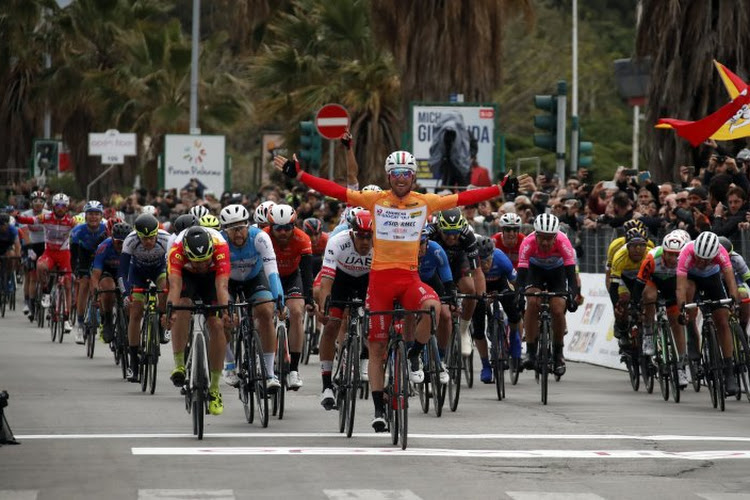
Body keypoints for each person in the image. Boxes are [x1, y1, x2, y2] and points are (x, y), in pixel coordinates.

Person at [275, 150, 503, 432]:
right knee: (377, 348)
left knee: (433, 308)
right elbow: (336, 190)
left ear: (413, 177)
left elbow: (464, 198)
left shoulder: (425, 202)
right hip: (380, 281)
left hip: (409, 279)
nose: (401, 179)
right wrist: (300, 175)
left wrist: (500, 189)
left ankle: (413, 355)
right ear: (388, 176)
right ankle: (379, 409)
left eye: (406, 174)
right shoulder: (375, 200)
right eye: (396, 174)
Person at [166, 226, 232, 415]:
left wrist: (226, 311)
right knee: (182, 305)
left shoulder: (220, 247)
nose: (202, 265)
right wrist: (170, 310)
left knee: (217, 324)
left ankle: (215, 388)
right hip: (187, 276)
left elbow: (222, 286)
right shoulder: (177, 250)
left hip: (213, 279)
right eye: (197, 262)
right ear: (187, 253)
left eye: (205, 261)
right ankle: (179, 364)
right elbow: (175, 286)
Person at [219, 204, 283, 390]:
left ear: (248, 226)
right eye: (233, 230)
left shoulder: (261, 238)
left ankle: (270, 373)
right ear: (225, 231)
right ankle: (230, 364)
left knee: (265, 312)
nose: (238, 233)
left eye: (241, 228)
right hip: (227, 280)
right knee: (223, 318)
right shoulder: (220, 242)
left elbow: (272, 271)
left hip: (254, 278)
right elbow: (219, 280)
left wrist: (279, 298)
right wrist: (224, 306)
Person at [318, 210, 374, 410]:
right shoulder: (337, 242)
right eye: (361, 235)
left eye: (369, 236)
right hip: (341, 280)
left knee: (374, 322)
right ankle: (326, 385)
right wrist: (325, 306)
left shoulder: (381, 246)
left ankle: (365, 360)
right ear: (352, 233)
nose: (365, 241)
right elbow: (326, 281)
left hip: (367, 282)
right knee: (332, 323)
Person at [676, 231, 740, 396]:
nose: (702, 262)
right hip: (691, 279)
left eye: (707, 259)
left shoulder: (721, 252)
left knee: (723, 322)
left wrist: (733, 299)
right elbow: (680, 287)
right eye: (699, 258)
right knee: (689, 295)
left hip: (712, 278)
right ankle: (691, 333)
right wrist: (682, 308)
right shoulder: (686, 252)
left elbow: (730, 278)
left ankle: (729, 371)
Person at [517, 213, 579, 377]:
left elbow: (571, 274)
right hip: (535, 271)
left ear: (555, 236)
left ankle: (558, 354)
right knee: (532, 302)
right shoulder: (527, 242)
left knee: (558, 309)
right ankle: (530, 351)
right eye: (542, 238)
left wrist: (573, 295)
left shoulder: (563, 241)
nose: (545, 242)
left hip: (557, 272)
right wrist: (519, 294)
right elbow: (522, 274)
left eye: (549, 238)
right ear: (535, 235)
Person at [264, 204, 314, 390]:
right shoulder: (263, 237)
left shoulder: (303, 239)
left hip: (292, 277)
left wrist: (309, 299)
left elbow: (307, 272)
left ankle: (293, 370)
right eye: (278, 228)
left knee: (296, 312)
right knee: (264, 312)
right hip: (269, 276)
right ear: (270, 226)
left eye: (288, 228)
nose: (283, 232)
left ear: (294, 226)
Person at [631, 230, 691, 387]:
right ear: (663, 251)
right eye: (669, 254)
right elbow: (639, 284)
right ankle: (649, 333)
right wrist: (636, 305)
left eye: (676, 255)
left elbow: (686, 287)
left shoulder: (686, 261)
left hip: (674, 287)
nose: (673, 258)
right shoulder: (652, 257)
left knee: (677, 325)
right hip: (654, 283)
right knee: (649, 297)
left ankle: (680, 368)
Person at [118, 214, 171, 383]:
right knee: (135, 312)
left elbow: (173, 271)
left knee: (165, 288)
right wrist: (126, 293)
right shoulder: (130, 240)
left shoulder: (166, 239)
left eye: (151, 237)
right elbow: (122, 272)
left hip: (159, 270)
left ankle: (160, 327)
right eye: (144, 238)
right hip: (137, 273)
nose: (148, 242)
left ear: (157, 233)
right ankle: (133, 363)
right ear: (138, 235)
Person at [16, 193, 77, 333]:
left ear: (67, 207)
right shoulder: (46, 217)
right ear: (53, 207)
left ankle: (66, 318)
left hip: (64, 254)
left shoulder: (71, 221)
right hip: (49, 252)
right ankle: (46, 292)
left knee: (67, 284)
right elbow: (31, 220)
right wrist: (18, 217)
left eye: (63, 206)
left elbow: (86, 222)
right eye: (57, 205)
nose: (60, 208)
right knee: (40, 266)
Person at [69, 201, 107, 344]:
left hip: (100, 256)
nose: (93, 217)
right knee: (84, 285)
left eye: (97, 214)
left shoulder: (106, 228)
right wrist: (75, 270)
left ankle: (103, 318)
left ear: (101, 216)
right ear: (85, 216)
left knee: (103, 285)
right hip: (84, 256)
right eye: (90, 214)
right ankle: (79, 323)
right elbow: (73, 254)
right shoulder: (78, 231)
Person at [91, 222, 131, 343]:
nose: (121, 245)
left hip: (124, 273)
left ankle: (129, 324)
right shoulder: (104, 247)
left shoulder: (132, 247)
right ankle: (107, 319)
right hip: (107, 272)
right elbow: (95, 275)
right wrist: (96, 291)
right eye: (118, 241)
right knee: (109, 289)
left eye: (124, 242)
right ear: (112, 238)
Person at [18, 191, 48, 318]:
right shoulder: (26, 215)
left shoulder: (48, 214)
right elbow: (24, 233)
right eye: (35, 202)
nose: (38, 204)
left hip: (45, 245)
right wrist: (29, 249)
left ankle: (47, 298)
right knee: (31, 276)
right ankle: (28, 302)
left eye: (41, 202)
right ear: (31, 203)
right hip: (30, 245)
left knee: (47, 273)